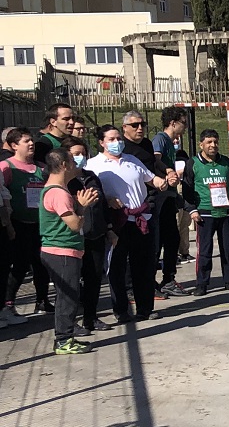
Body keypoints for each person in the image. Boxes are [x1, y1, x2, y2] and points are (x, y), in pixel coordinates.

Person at [87, 125, 173, 323]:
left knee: (143, 266)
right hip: (117, 222)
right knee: (117, 268)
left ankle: (145, 308)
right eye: (111, 139)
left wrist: (163, 181)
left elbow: (151, 179)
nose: (117, 142)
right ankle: (122, 311)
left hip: (141, 220)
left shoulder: (131, 160)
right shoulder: (94, 165)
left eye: (118, 138)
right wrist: (106, 198)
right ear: (101, 142)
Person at [37, 149, 98, 355]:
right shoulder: (58, 193)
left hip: (64, 250)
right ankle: (63, 339)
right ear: (64, 165)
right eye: (72, 161)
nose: (75, 164)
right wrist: (82, 206)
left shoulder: (56, 190)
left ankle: (65, 337)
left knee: (68, 295)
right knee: (68, 297)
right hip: (61, 251)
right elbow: (74, 224)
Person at [183, 130, 229, 294]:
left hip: (225, 213)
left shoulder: (225, 162)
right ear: (201, 144)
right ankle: (202, 283)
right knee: (204, 250)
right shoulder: (193, 163)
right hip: (204, 213)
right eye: (209, 142)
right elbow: (187, 189)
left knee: (227, 248)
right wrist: (192, 210)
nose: (213, 145)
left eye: (215, 142)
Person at [0, 130, 49, 320]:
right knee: (20, 264)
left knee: (42, 263)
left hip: (40, 223)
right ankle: (8, 303)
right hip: (18, 224)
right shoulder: (6, 167)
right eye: (26, 141)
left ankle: (43, 300)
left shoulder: (41, 167)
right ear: (14, 145)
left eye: (32, 141)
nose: (31, 144)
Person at [66, 136, 109, 334]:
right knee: (72, 282)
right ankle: (69, 322)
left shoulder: (92, 177)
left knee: (94, 279)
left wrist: (108, 229)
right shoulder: (65, 181)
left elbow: (103, 206)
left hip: (96, 234)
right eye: (76, 154)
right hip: (74, 238)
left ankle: (91, 318)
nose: (80, 158)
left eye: (83, 153)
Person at [152, 106, 190, 297]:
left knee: (172, 238)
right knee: (159, 240)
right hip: (160, 197)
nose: (185, 127)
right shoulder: (160, 139)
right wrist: (167, 171)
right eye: (183, 123)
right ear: (173, 123)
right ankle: (153, 280)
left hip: (169, 196)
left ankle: (168, 278)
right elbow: (155, 159)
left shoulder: (170, 142)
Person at [33, 102, 74, 166]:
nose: (71, 122)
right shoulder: (44, 144)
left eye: (73, 118)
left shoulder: (75, 140)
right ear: (53, 122)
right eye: (66, 119)